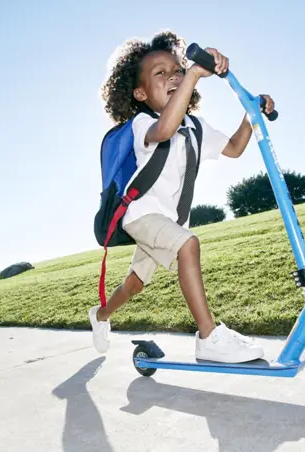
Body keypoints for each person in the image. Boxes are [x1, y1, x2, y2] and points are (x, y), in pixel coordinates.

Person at [90, 31, 276, 363]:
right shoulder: (143, 123)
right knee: (189, 244)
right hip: (142, 215)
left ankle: (101, 315)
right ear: (140, 92)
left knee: (134, 284)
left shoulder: (196, 127)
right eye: (160, 73)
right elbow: (163, 130)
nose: (173, 75)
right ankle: (208, 338)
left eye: (177, 69)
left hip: (169, 219)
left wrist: (250, 116)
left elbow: (233, 148)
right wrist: (192, 73)